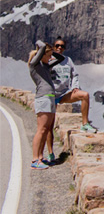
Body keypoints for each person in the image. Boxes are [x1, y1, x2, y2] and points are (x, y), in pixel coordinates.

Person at [44, 37, 97, 164]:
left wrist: (75, 87)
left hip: (64, 93)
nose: (59, 48)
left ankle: (85, 124)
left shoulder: (68, 60)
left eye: (62, 46)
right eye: (57, 46)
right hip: (51, 95)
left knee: (84, 95)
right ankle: (50, 153)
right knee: (49, 126)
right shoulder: (49, 59)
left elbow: (75, 74)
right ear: (53, 46)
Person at [28, 40, 62, 170]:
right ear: (41, 55)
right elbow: (41, 46)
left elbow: (61, 57)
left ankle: (41, 157)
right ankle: (34, 159)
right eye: (48, 56)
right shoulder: (34, 65)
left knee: (47, 129)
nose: (51, 58)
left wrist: (52, 51)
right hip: (43, 99)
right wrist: (40, 45)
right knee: (41, 129)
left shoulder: (46, 66)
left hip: (50, 98)